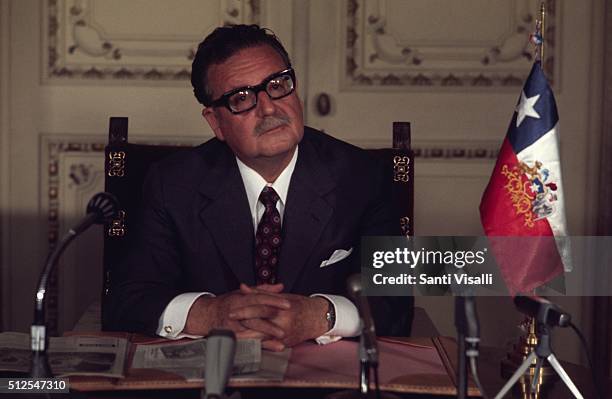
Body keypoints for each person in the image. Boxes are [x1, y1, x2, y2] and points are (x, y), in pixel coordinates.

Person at [107, 24, 413, 350]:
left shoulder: (362, 177)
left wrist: (319, 315)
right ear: (215, 122)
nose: (269, 108)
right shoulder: (172, 184)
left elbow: (396, 304)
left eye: (278, 85)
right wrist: (210, 314)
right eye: (241, 98)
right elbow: (128, 299)